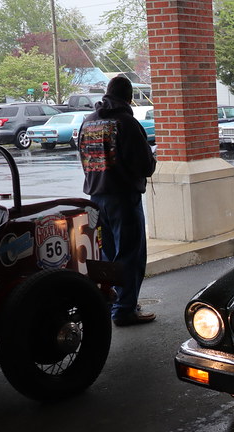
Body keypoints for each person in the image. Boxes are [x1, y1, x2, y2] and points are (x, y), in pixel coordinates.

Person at [78, 75, 157, 327]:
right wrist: (152, 158)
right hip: (123, 200)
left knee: (108, 255)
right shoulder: (127, 123)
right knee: (130, 255)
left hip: (95, 199)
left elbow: (83, 158)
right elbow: (144, 166)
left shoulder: (88, 122)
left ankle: (113, 303)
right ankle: (125, 310)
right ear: (129, 97)